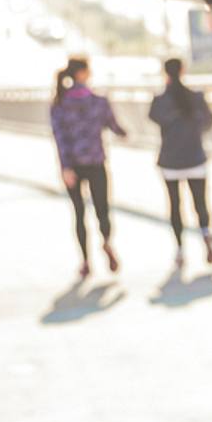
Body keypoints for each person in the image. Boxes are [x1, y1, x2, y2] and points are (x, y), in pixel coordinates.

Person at [50, 56, 127, 278]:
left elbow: (60, 138)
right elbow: (113, 126)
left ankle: (85, 261)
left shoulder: (60, 104)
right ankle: (106, 241)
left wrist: (65, 168)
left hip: (73, 166)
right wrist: (126, 134)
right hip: (96, 162)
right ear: (82, 73)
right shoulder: (98, 101)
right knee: (103, 210)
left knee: (79, 214)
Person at [149, 57, 212, 267]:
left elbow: (154, 118)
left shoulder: (160, 101)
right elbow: (208, 121)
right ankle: (205, 234)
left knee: (175, 205)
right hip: (195, 156)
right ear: (183, 70)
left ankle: (179, 249)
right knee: (200, 202)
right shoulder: (196, 96)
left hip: (170, 160)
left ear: (165, 73)